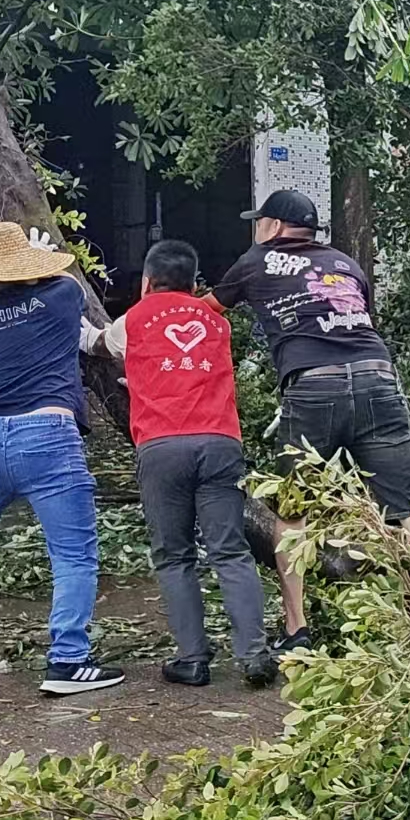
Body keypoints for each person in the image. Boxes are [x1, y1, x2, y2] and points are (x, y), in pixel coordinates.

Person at [207, 189, 410, 661]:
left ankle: (297, 630)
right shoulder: (345, 263)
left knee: (293, 512)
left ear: (272, 227)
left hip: (314, 387)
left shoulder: (256, 260)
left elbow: (207, 310)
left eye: (260, 222)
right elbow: (348, 318)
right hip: (378, 378)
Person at [0, 221, 123, 695]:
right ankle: (67, 661)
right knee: (73, 553)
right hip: (48, 434)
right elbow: (68, 287)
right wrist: (44, 265)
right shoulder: (60, 298)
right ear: (29, 266)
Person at [83, 241, 277, 688]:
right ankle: (254, 654)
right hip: (220, 442)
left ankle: (192, 660)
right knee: (229, 550)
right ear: (194, 285)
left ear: (146, 282)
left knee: (173, 555)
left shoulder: (133, 320)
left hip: (162, 447)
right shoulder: (217, 322)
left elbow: (98, 344)